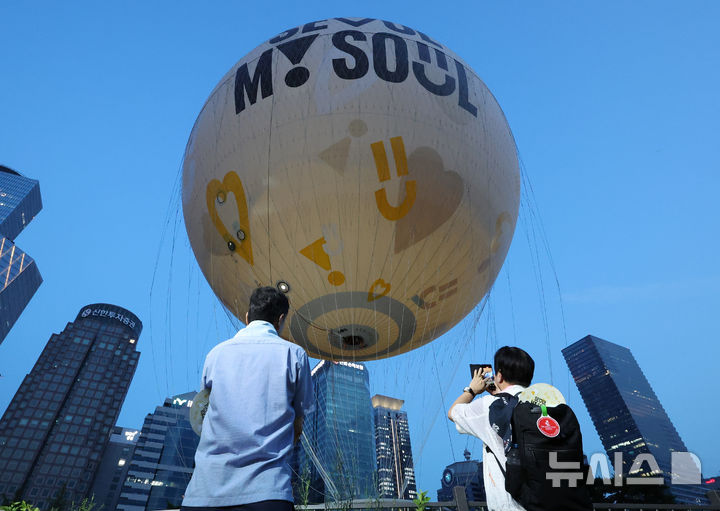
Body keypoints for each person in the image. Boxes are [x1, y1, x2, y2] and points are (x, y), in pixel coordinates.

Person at [182, 286, 314, 511]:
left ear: (247, 317)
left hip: (204, 493)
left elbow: (201, 415)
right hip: (267, 491)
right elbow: (298, 424)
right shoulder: (294, 354)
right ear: (280, 319)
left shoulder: (215, 354)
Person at [448, 346, 535, 511]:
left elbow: (453, 412)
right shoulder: (545, 404)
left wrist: (472, 390)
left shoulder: (490, 406)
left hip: (513, 505)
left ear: (499, 376)